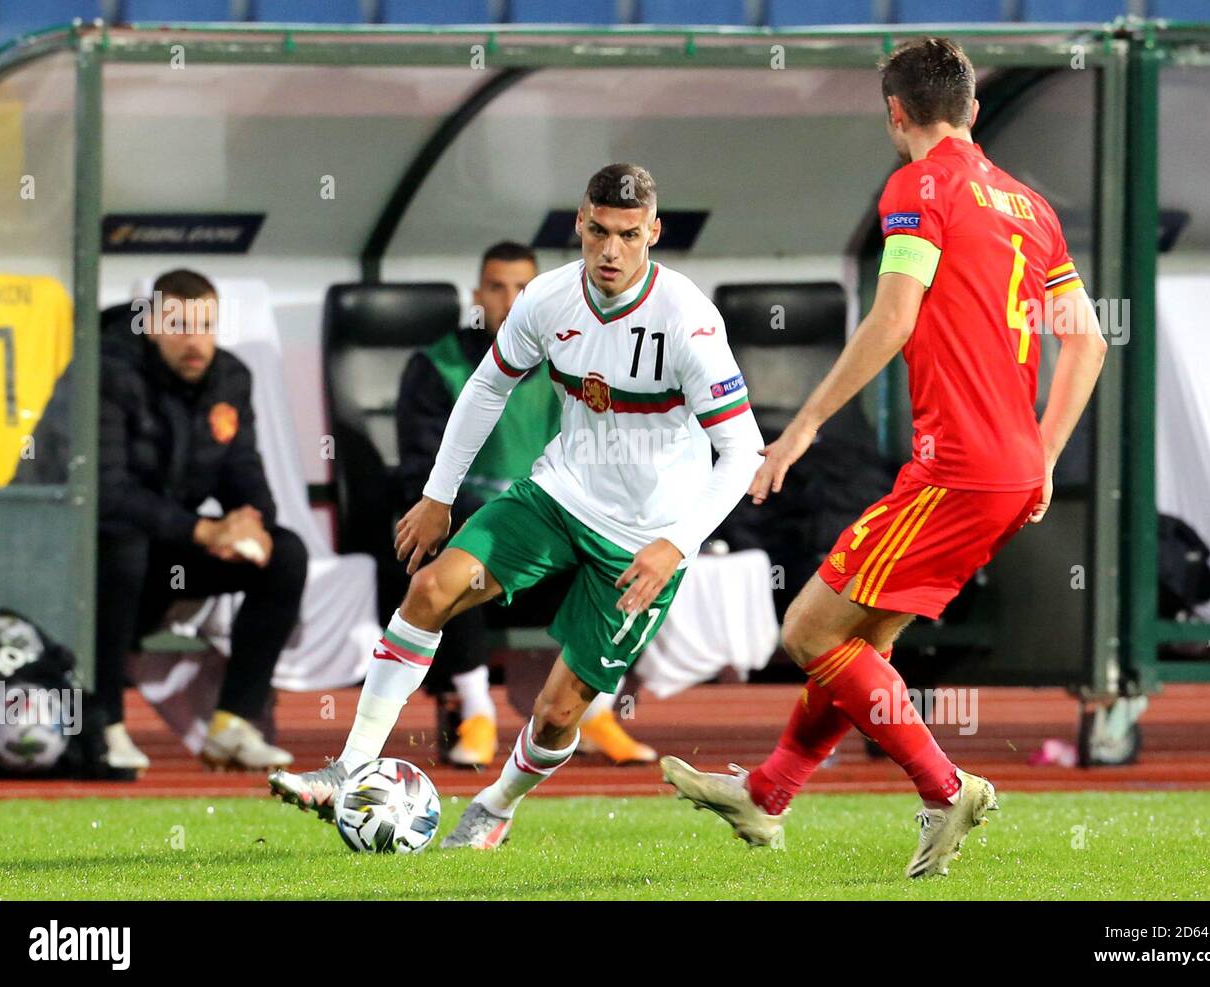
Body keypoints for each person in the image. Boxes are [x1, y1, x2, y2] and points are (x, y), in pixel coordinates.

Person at [661, 37, 1108, 879]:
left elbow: (893, 317)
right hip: (1008, 471)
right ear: (974, 110)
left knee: (808, 630)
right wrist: (1044, 455)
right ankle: (770, 792)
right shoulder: (1030, 207)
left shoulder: (918, 188)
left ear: (895, 113)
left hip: (958, 467)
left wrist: (801, 428)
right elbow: (1086, 344)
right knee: (863, 639)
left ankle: (945, 788)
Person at [270, 163, 764, 847]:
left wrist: (675, 545)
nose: (611, 250)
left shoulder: (688, 323)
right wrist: (438, 495)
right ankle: (348, 768)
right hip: (559, 498)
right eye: (598, 231)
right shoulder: (548, 299)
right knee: (432, 585)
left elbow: (743, 450)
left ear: (653, 232)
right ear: (579, 225)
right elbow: (485, 389)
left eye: (627, 235)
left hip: (645, 539)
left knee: (559, 712)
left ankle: (497, 804)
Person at [395, 241, 657, 767]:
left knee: (643, 548)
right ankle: (475, 712)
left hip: (563, 532)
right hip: (489, 530)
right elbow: (420, 470)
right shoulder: (437, 366)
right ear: (477, 295)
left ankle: (596, 709)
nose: (510, 300)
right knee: (462, 541)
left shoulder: (576, 358)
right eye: (496, 287)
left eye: (522, 288)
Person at [96, 269, 307, 773]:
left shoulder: (230, 378)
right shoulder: (109, 373)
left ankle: (232, 724)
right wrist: (202, 531)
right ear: (150, 325)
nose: (195, 340)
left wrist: (252, 523)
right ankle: (104, 724)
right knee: (122, 545)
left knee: (285, 553)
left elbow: (244, 471)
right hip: (100, 559)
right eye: (179, 325)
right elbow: (109, 493)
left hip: (175, 554)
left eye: (205, 324)